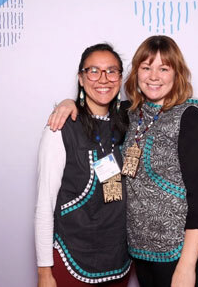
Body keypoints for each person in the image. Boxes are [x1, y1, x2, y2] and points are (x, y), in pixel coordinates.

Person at [49, 35, 198, 287]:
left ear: (177, 74)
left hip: (181, 257)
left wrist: (186, 266)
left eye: (164, 68)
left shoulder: (192, 119)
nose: (154, 76)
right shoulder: (129, 115)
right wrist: (68, 103)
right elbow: (98, 102)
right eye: (146, 67)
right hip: (141, 257)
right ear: (136, 73)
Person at [35, 43, 131, 287]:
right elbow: (45, 204)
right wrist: (44, 273)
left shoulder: (129, 121)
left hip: (119, 260)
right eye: (94, 71)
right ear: (81, 77)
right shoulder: (60, 127)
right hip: (72, 257)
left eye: (111, 71)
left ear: (120, 78)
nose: (103, 79)